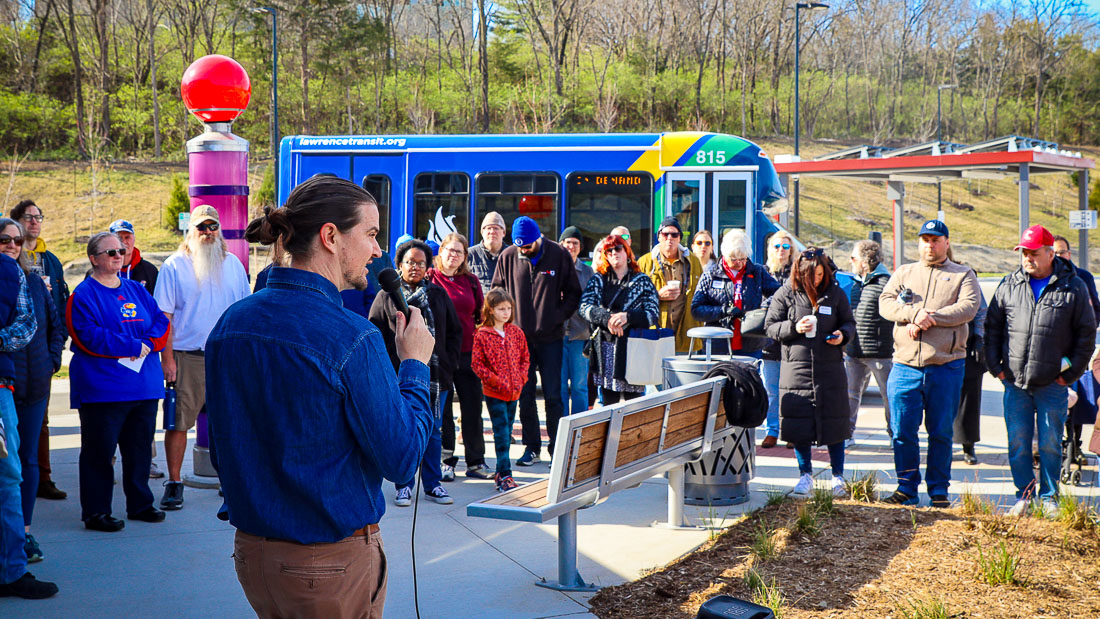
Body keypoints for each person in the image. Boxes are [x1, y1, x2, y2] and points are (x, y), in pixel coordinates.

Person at [207, 175, 434, 618]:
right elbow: (403, 459)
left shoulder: (231, 323)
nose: (378, 250)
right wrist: (415, 365)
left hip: (254, 554)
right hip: (328, 563)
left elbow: (225, 449)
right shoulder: (352, 338)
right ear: (330, 236)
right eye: (370, 234)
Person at [985, 225, 1096, 516]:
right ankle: (1023, 495)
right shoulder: (1009, 284)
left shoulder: (1073, 287)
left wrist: (1068, 375)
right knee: (1018, 442)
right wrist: (996, 368)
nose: (1027, 258)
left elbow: (1086, 335)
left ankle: (1049, 499)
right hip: (1016, 383)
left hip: (1052, 385)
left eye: (1033, 253)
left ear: (1050, 253)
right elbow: (992, 329)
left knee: (1049, 444)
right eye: (1023, 252)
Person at [68, 231, 171, 532]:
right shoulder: (83, 295)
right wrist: (131, 346)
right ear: (94, 258)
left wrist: (149, 343)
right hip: (104, 390)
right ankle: (97, 512)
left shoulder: (136, 290)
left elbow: (161, 322)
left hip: (143, 386)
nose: (118, 255)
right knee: (99, 454)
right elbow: (86, 335)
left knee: (139, 451)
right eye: (110, 251)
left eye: (121, 250)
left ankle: (140, 504)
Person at [152, 205, 250, 511]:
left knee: (229, 423)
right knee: (178, 423)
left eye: (213, 227)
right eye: (201, 227)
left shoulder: (233, 263)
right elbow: (163, 317)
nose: (207, 233)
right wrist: (167, 360)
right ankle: (174, 482)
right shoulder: (174, 265)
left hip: (226, 357)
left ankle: (229, 481)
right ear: (190, 230)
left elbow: (243, 312)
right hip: (187, 356)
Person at [878, 220, 980, 508]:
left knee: (941, 432)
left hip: (946, 367)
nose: (929, 245)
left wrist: (929, 317)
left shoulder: (963, 274)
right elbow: (885, 303)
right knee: (902, 431)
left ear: (946, 242)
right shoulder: (905, 272)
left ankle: (938, 490)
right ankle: (906, 488)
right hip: (905, 367)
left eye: (935, 240)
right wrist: (913, 313)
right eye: (925, 240)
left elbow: (968, 308)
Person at [371, 239, 461, 506]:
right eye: (410, 262)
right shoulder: (385, 297)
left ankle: (433, 484)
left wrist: (448, 363)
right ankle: (404, 485)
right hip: (399, 376)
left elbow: (455, 332)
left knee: (434, 429)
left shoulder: (437, 294)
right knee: (404, 429)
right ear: (399, 264)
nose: (415, 267)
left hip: (436, 377)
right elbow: (374, 333)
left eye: (421, 263)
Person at [765, 247, 856, 496]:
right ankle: (805, 475)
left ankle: (838, 476)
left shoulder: (835, 293)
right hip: (796, 370)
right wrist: (795, 327)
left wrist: (843, 335)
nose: (816, 279)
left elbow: (849, 322)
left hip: (830, 368)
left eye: (819, 274)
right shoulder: (786, 293)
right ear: (800, 273)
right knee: (799, 426)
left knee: (836, 424)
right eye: (811, 275)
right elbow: (771, 327)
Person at [491, 216, 581, 466]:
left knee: (554, 396)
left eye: (527, 246)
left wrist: (558, 317)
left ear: (537, 238)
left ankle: (557, 448)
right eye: (520, 246)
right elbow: (496, 292)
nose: (523, 250)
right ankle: (532, 447)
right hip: (518, 341)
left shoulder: (558, 254)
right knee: (525, 395)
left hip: (551, 338)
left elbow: (574, 293)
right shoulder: (508, 256)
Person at [2, 219, 64, 563]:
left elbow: (56, 326)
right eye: (4, 239)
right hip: (5, 385)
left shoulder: (34, 282)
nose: (12, 245)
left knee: (27, 462)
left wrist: (51, 362)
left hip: (35, 385)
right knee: (6, 465)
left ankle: (24, 532)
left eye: (17, 239)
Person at [10, 199, 69, 502]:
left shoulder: (51, 261)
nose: (34, 222)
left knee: (40, 424)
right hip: (10, 363)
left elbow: (59, 308)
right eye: (28, 217)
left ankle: (42, 478)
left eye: (38, 217)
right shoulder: (9, 264)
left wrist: (53, 356)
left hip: (39, 361)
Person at [427, 232, 493, 481]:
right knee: (442, 411)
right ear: (441, 251)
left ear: (465, 256)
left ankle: (476, 461)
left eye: (459, 251)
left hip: (467, 352)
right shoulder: (431, 278)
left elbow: (480, 315)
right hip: (439, 355)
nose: (454, 255)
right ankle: (446, 461)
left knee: (472, 407)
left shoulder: (471, 281)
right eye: (450, 250)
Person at [579, 235, 660, 403]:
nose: (614, 253)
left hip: (634, 349)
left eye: (618, 248)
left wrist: (627, 317)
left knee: (634, 404)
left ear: (627, 251)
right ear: (605, 256)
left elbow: (653, 314)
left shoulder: (642, 280)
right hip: (606, 349)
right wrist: (607, 319)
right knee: (609, 402)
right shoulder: (598, 279)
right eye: (609, 250)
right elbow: (584, 307)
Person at [472, 288, 530, 491]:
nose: (506, 312)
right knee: (501, 433)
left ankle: (500, 472)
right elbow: (477, 364)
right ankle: (505, 474)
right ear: (491, 310)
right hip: (495, 393)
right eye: (501, 309)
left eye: (508, 308)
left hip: (514, 392)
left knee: (507, 430)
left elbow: (525, 357)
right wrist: (496, 381)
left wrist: (522, 377)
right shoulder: (482, 335)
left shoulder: (515, 332)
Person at [691, 229, 780, 357]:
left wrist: (763, 308)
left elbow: (779, 294)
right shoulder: (710, 275)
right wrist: (723, 311)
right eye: (733, 259)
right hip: (719, 342)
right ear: (724, 255)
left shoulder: (757, 272)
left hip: (751, 342)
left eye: (742, 259)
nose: (739, 263)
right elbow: (696, 310)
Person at [844, 240, 894, 444]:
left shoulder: (887, 282)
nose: (851, 262)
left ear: (864, 261)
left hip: (880, 351)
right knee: (850, 394)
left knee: (889, 396)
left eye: (853, 258)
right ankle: (847, 434)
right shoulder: (856, 283)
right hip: (854, 351)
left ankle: (894, 434)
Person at [637, 217, 703, 354]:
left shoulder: (693, 261)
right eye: (665, 234)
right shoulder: (644, 263)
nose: (669, 238)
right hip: (654, 334)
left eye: (674, 234)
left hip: (686, 335)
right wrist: (657, 296)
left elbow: (701, 295)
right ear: (659, 237)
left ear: (679, 238)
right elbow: (634, 299)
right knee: (654, 375)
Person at [950, 250, 987, 466]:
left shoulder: (966, 274)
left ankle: (968, 446)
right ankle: (942, 445)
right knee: (940, 400)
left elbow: (981, 310)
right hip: (940, 345)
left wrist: (980, 339)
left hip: (968, 344)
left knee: (969, 401)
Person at [760, 230, 795, 448]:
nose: (781, 250)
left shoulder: (798, 273)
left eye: (785, 246)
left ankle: (791, 430)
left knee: (792, 390)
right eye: (777, 246)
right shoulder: (762, 272)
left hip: (792, 340)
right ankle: (772, 430)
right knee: (771, 390)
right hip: (769, 341)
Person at [558, 226, 594, 415]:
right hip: (556, 335)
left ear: (580, 247)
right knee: (561, 386)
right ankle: (563, 426)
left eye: (575, 243)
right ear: (561, 244)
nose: (571, 246)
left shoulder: (588, 273)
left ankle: (579, 426)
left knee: (580, 386)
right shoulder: (554, 269)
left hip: (580, 336)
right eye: (567, 242)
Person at [1052, 235, 1100, 323]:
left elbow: (1095, 309)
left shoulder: (1084, 277)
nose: (1058, 256)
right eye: (1054, 253)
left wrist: (1087, 333)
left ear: (1069, 254)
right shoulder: (1044, 278)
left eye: (1062, 252)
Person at [108, 219, 159, 294]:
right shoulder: (101, 271)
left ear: (134, 239)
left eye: (127, 237)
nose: (124, 242)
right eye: (119, 238)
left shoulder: (150, 271)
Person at [468, 211, 506, 293]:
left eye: (496, 228)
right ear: (482, 232)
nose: (492, 232)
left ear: (504, 233)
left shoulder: (511, 255)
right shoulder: (469, 255)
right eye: (488, 228)